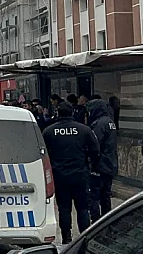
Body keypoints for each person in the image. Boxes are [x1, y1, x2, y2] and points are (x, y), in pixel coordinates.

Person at [42, 102, 100, 244]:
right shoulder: (84, 130)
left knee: (64, 208)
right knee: (82, 208)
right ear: (72, 112)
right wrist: (91, 166)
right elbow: (95, 150)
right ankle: (84, 237)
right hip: (80, 174)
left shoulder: (49, 131)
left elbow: (43, 154)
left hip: (60, 176)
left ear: (57, 113)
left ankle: (66, 238)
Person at [87, 98, 118, 221]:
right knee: (106, 196)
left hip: (100, 165)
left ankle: (96, 222)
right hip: (110, 164)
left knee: (94, 196)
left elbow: (94, 145)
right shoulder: (110, 122)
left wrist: (91, 162)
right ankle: (107, 221)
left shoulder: (99, 124)